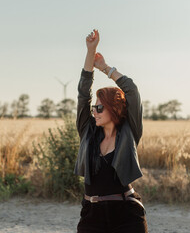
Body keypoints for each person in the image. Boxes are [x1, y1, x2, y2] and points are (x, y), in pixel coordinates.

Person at [74, 29, 148, 232]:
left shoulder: (129, 132)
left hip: (126, 213)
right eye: (94, 108)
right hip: (91, 214)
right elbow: (83, 94)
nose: (94, 112)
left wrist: (105, 68)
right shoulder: (88, 132)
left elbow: (131, 90)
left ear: (113, 109)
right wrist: (91, 51)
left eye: (99, 108)